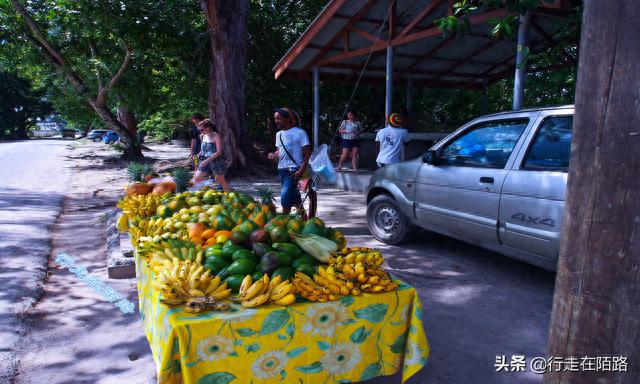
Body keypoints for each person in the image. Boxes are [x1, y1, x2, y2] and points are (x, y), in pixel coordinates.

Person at [267, 107, 311, 217]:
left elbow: (307, 154)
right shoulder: (279, 134)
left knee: (285, 195)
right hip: (282, 170)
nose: (276, 121)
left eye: (279, 118)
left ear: (288, 119)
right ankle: (304, 218)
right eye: (275, 119)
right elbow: (279, 151)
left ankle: (284, 221)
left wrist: (301, 170)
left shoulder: (300, 133)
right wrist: (274, 155)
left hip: (294, 170)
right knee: (294, 195)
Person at [193, 119, 231, 192]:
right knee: (197, 179)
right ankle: (207, 193)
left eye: (201, 130)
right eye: (199, 130)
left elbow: (219, 152)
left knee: (221, 181)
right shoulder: (202, 136)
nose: (200, 131)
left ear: (208, 128)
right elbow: (203, 149)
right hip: (205, 160)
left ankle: (228, 195)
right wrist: (198, 155)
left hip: (216, 161)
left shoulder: (217, 136)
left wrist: (207, 160)